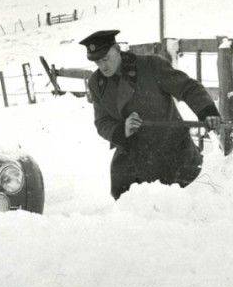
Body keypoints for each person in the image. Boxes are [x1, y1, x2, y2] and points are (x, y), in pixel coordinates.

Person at [81, 30, 222, 199]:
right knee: (130, 210)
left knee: (181, 208)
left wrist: (207, 112)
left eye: (106, 59)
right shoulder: (97, 83)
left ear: (117, 49)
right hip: (133, 158)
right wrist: (122, 130)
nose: (103, 66)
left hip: (172, 153)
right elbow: (102, 121)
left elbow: (187, 88)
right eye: (97, 62)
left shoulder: (150, 65)